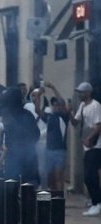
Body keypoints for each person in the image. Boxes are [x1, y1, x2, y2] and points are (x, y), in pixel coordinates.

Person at [71, 82, 101, 216]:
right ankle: (95, 201)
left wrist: (90, 138)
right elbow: (75, 122)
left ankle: (97, 203)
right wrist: (68, 112)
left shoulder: (96, 106)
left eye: (81, 92)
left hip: (96, 145)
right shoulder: (83, 106)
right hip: (87, 146)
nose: (79, 94)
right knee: (89, 176)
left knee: (90, 176)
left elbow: (98, 126)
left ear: (88, 93)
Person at [36, 83, 69, 193]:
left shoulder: (64, 116)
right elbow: (37, 110)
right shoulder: (49, 117)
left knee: (58, 177)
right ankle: (52, 200)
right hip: (49, 150)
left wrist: (53, 88)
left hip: (60, 150)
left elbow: (62, 102)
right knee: (49, 178)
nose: (56, 107)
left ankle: (59, 201)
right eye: (54, 105)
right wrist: (39, 95)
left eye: (57, 105)